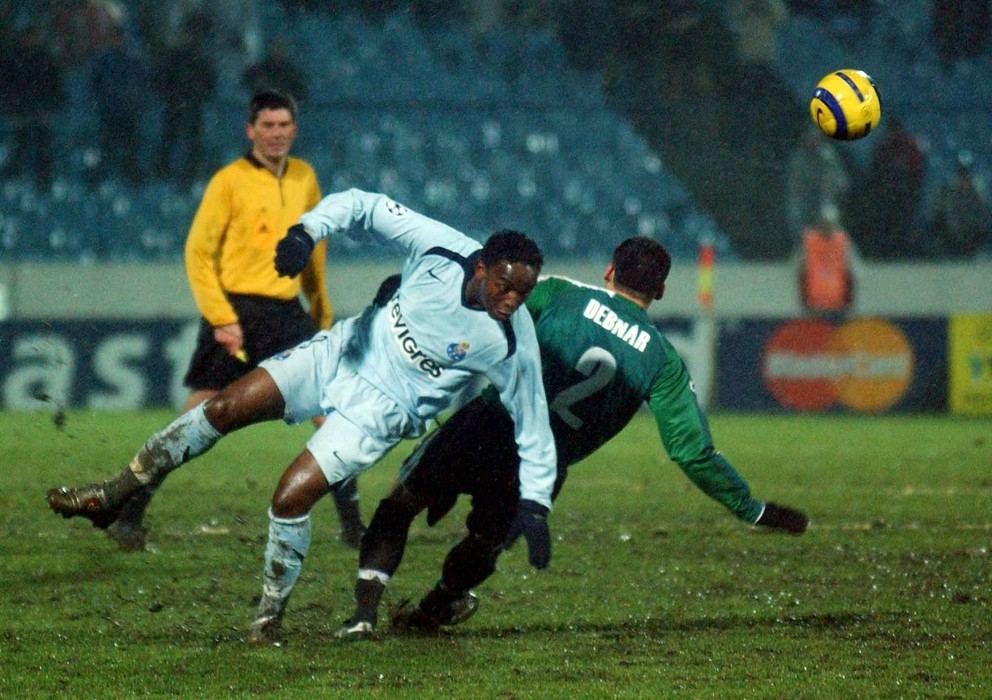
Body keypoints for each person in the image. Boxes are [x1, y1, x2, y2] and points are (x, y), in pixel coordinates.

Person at [45, 188, 559, 646]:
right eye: (505, 287)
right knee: (221, 406)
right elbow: (363, 204)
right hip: (340, 352)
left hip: (378, 415)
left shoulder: (512, 342)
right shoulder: (442, 247)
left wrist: (534, 505)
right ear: (480, 268)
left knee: (289, 496)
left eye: (524, 293)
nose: (512, 301)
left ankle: (268, 619)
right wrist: (305, 231)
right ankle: (112, 497)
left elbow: (533, 423)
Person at [336, 237, 809, 640]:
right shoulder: (662, 361)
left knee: (402, 503)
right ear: (660, 291)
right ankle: (439, 604)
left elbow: (485, 304)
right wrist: (751, 508)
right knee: (484, 543)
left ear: (608, 270)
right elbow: (693, 452)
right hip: (541, 465)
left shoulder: (559, 293)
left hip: (487, 425)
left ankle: (363, 614)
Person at [99, 90, 359, 553]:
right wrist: (221, 318)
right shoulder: (229, 181)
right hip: (238, 313)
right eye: (268, 126)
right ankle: (130, 514)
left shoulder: (304, 178)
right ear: (250, 130)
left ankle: (355, 529)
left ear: (294, 129)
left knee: (332, 414)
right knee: (197, 418)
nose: (277, 134)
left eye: (284, 126)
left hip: (286, 314)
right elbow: (197, 252)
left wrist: (320, 311)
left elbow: (315, 250)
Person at [151, 12, 217, 182]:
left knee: (194, 143)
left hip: (193, 106)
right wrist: (170, 96)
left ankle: (191, 177)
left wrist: (198, 96)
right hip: (174, 105)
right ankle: (163, 175)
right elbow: (161, 79)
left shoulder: (200, 59)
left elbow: (210, 82)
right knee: (169, 140)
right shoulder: (173, 58)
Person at [794, 203, 862, 319]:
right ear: (819, 223)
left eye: (829, 224)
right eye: (824, 223)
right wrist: (803, 304)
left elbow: (852, 275)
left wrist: (850, 305)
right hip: (813, 308)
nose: (827, 227)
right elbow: (800, 272)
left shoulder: (844, 243)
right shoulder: (809, 242)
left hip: (839, 308)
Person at [929, 151, 992, 258]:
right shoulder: (948, 191)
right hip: (952, 241)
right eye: (961, 172)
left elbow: (984, 219)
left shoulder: (978, 192)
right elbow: (938, 217)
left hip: (973, 240)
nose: (964, 176)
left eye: (966, 172)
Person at [242, 38, 309, 104]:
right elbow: (245, 85)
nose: (278, 51)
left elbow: (301, 95)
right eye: (276, 47)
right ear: (271, 49)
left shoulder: (292, 73)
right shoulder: (259, 69)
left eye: (281, 48)